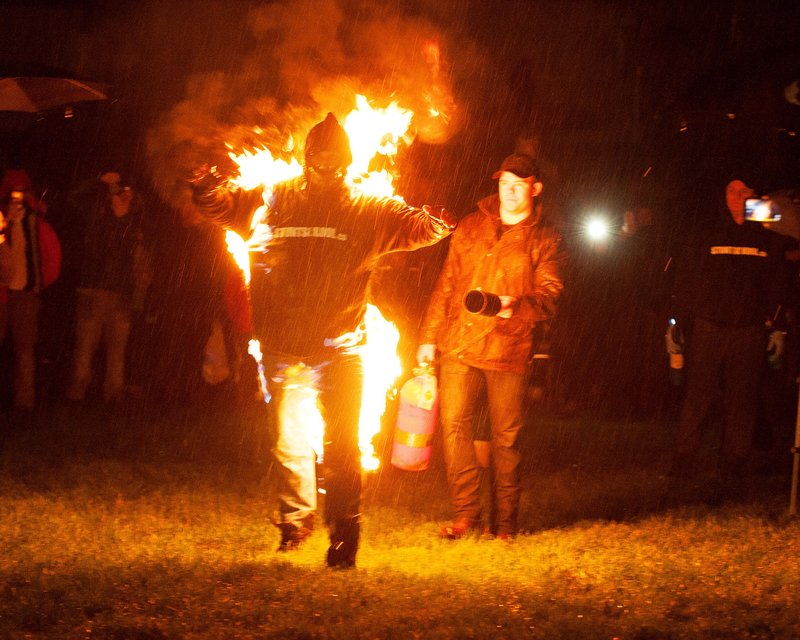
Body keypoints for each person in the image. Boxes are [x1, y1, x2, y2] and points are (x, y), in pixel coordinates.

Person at [191, 112, 455, 567]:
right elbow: (222, 206)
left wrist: (436, 223)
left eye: (336, 161)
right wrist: (206, 189)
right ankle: (295, 526)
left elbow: (414, 226)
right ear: (307, 159)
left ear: (348, 163)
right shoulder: (271, 197)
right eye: (322, 160)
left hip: (341, 349)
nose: (329, 168)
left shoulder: (368, 205)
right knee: (290, 442)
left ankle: (343, 535)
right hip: (283, 347)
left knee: (342, 447)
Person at [417, 153, 565, 540]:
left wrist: (516, 306)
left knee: (507, 438)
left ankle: (505, 526)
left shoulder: (545, 237)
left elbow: (550, 295)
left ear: (535, 188)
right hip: (459, 342)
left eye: (518, 185)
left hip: (509, 348)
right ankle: (467, 516)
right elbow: (447, 284)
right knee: (453, 427)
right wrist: (429, 337)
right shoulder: (470, 226)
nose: (509, 192)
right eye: (503, 183)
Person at [670, 176, 786, 492]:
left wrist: (776, 325)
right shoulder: (706, 229)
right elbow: (687, 276)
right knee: (698, 396)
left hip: (749, 330)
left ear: (753, 195)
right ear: (724, 194)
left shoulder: (767, 233)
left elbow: (777, 280)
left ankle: (735, 462)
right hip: (709, 327)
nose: (737, 197)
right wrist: (676, 322)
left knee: (742, 400)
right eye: (732, 191)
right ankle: (684, 459)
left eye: (744, 191)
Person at [65, 170, 151, 406]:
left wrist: (129, 200)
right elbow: (73, 197)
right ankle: (77, 396)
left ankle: (113, 398)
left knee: (117, 351)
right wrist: (98, 180)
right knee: (84, 348)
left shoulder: (134, 222)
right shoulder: (96, 215)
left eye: (126, 194)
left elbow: (140, 259)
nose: (122, 197)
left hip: (120, 295)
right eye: (118, 193)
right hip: (92, 292)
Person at [0, 169, 61, 418]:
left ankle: (24, 406)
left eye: (20, 192)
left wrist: (38, 284)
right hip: (1, 296)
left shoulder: (38, 225)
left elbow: (53, 259)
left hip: (25, 297)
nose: (16, 198)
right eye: (12, 193)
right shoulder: (1, 220)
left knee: (25, 352)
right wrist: (9, 223)